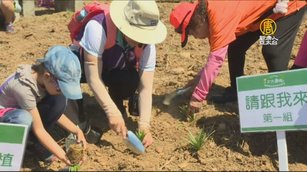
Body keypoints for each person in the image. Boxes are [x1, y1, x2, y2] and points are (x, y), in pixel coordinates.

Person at [169, 0, 306, 113]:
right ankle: (236, 91)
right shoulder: (208, 14)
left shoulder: (218, 15)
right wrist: (198, 80)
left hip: (286, 6)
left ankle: (283, 102)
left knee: (272, 51)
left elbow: (216, 60)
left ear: (198, 22)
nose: (196, 38)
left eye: (192, 33)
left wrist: (198, 97)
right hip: (260, 14)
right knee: (235, 46)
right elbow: (213, 57)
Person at [71, 0, 167, 148]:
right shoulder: (98, 27)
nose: (141, 40)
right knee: (68, 70)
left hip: (114, 67)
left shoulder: (147, 45)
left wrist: (144, 126)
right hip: (87, 67)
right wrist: (111, 111)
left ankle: (116, 103)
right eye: (138, 35)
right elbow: (93, 77)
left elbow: (145, 88)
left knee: (129, 79)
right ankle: (77, 116)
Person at [0, 45, 87, 165]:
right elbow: (39, 129)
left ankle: (32, 142)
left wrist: (77, 131)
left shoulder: (43, 80)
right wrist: (64, 156)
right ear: (48, 76)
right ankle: (6, 156)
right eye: (60, 88)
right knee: (23, 119)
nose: (61, 91)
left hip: (26, 112)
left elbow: (56, 113)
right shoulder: (24, 87)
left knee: (59, 100)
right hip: (6, 122)